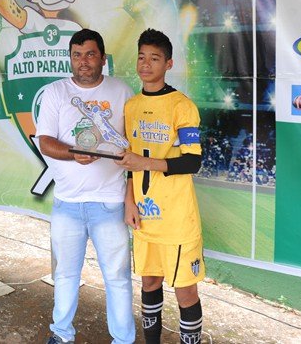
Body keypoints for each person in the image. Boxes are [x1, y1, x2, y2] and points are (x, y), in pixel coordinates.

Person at [35, 28, 135, 344]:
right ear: (70, 58)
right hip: (67, 203)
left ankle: (123, 340)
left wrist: (130, 197)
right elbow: (45, 142)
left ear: (103, 58)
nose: (83, 61)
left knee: (118, 278)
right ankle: (62, 334)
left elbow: (134, 148)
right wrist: (74, 153)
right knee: (65, 275)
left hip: (110, 201)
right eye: (77, 55)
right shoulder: (56, 92)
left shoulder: (122, 91)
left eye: (90, 54)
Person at [116, 29, 204, 344]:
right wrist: (129, 201)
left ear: (168, 64)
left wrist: (146, 162)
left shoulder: (182, 106)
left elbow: (193, 161)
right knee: (150, 283)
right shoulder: (131, 106)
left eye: (154, 58)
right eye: (142, 57)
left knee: (185, 292)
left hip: (177, 220)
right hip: (145, 215)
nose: (146, 64)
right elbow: (130, 162)